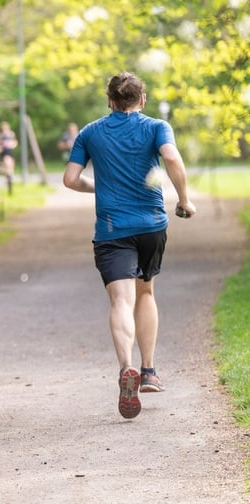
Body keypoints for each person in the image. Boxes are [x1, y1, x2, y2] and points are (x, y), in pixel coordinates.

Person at [63, 71, 196, 420]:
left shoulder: (90, 133)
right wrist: (184, 199)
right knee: (146, 293)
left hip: (111, 229)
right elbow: (171, 158)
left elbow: (70, 179)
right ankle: (149, 370)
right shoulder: (156, 127)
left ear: (109, 99)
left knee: (121, 300)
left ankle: (127, 368)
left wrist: (99, 188)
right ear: (142, 100)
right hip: (151, 225)